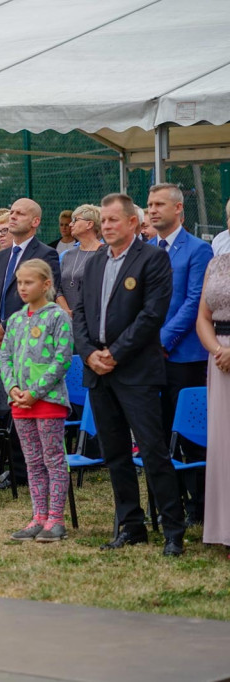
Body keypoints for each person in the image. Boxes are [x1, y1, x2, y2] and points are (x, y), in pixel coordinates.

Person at [72, 192, 185, 556]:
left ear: (133, 223)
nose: (106, 226)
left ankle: (172, 530)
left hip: (135, 371)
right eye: (103, 221)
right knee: (116, 454)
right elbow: (80, 314)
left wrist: (115, 354)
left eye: (113, 220)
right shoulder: (93, 263)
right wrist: (90, 354)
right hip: (98, 372)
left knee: (153, 451)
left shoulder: (153, 259)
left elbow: (152, 316)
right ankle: (131, 526)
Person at [0, 199, 64, 489]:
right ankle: (13, 469)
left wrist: (10, 330)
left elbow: (46, 297)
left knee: (27, 403)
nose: (12, 216)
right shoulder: (0, 257)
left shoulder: (47, 254)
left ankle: (26, 473)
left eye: (19, 213)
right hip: (0, 341)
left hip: (30, 344)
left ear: (35, 221)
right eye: (11, 212)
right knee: (11, 402)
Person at [147, 183, 213, 526]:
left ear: (178, 210)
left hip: (184, 357)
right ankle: (168, 504)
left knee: (189, 437)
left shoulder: (198, 250)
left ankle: (199, 508)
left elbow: (195, 302)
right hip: (149, 358)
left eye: (160, 204)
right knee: (156, 434)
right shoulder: (145, 249)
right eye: (149, 205)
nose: (153, 210)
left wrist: (161, 340)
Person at [0, 259, 74, 541]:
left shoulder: (58, 317)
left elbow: (62, 359)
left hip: (48, 402)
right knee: (32, 462)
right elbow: (5, 357)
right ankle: (38, 517)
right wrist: (14, 389)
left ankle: (55, 519)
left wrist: (36, 392)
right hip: (20, 404)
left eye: (28, 282)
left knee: (53, 459)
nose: (22, 288)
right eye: (19, 282)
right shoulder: (17, 319)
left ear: (45, 284)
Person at [197, 248, 230, 556]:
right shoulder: (216, 263)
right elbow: (203, 317)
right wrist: (217, 350)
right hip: (220, 360)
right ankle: (224, 529)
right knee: (223, 444)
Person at [58, 205, 104, 316]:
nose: (70, 224)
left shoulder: (105, 254)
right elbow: (57, 288)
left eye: (75, 220)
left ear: (89, 224)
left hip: (93, 318)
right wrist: (66, 311)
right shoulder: (67, 255)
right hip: (67, 321)